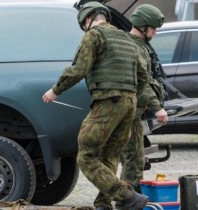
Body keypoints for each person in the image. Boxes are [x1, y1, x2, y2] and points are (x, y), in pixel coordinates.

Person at [42, 2, 149, 209]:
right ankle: (103, 204)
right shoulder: (126, 38)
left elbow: (79, 69)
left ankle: (127, 196)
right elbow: (143, 74)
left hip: (108, 102)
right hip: (129, 104)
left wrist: (55, 90)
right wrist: (131, 95)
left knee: (86, 156)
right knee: (109, 155)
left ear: (86, 20)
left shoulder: (94, 36)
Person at [119, 3, 168, 206]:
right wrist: (158, 108)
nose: (155, 32)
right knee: (132, 160)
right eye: (153, 28)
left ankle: (128, 199)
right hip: (127, 112)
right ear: (142, 26)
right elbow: (141, 83)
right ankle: (125, 202)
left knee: (135, 160)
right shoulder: (133, 47)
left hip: (133, 112)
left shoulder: (140, 46)